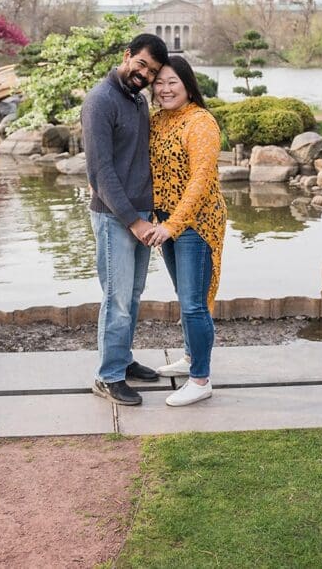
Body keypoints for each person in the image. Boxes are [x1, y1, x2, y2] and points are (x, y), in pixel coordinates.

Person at [81, 33, 170, 406]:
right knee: (116, 299)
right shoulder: (100, 102)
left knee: (132, 297)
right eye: (142, 64)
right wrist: (134, 221)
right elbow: (101, 174)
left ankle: (122, 359)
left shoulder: (136, 102)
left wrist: (147, 215)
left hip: (140, 218)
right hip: (115, 219)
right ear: (127, 55)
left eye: (152, 71)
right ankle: (108, 376)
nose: (145, 74)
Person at [144, 56, 227, 407]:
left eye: (171, 82)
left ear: (187, 84)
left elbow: (200, 180)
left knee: (194, 303)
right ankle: (192, 358)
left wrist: (173, 225)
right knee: (186, 296)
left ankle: (200, 379)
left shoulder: (201, 123)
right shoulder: (157, 121)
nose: (164, 89)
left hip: (197, 222)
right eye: (158, 82)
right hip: (166, 220)